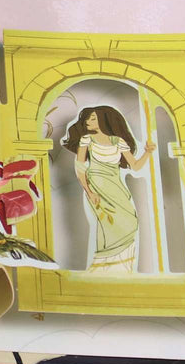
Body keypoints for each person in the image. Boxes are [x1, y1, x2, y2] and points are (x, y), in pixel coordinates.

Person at [61, 106, 155, 274]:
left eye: (93, 118)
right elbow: (80, 169)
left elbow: (135, 166)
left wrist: (147, 153)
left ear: (104, 120)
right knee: (108, 225)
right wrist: (89, 192)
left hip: (117, 188)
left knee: (130, 223)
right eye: (88, 118)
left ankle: (123, 268)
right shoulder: (87, 140)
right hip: (97, 187)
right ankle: (103, 267)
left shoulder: (118, 141)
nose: (88, 122)